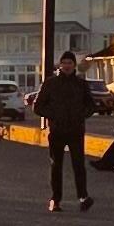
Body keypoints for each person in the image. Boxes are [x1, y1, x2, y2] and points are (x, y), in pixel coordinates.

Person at [39, 51, 96, 213]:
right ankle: (55, 200)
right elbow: (38, 106)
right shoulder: (51, 84)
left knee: (79, 165)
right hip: (57, 131)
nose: (66, 66)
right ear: (60, 65)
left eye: (69, 63)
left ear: (74, 65)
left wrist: (81, 115)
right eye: (64, 62)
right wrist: (54, 116)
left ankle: (83, 197)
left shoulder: (81, 84)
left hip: (76, 130)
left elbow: (91, 105)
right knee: (56, 166)